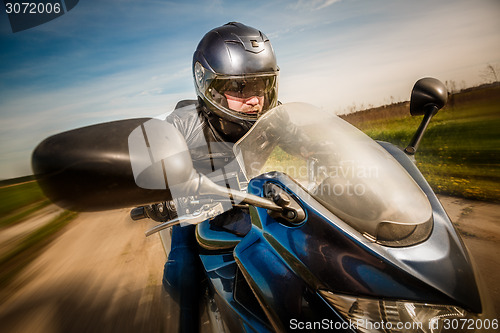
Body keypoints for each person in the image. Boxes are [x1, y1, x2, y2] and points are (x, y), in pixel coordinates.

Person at [159, 22, 280, 332]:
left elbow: (313, 144)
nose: (255, 100)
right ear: (209, 85)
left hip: (254, 204)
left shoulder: (273, 116)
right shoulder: (181, 126)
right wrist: (161, 198)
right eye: (241, 88)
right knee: (184, 267)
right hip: (199, 211)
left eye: (261, 85)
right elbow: (154, 167)